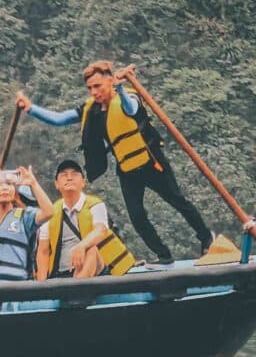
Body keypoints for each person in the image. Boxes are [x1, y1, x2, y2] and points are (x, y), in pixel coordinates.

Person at [17, 62, 214, 263]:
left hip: (151, 162)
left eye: (98, 86)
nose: (94, 92)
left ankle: (207, 238)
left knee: (178, 201)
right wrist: (31, 108)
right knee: (136, 216)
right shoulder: (92, 109)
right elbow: (59, 119)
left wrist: (120, 88)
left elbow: (132, 109)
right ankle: (163, 254)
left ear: (110, 81)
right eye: (90, 88)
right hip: (127, 170)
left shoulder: (128, 97)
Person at [36, 160, 137, 279]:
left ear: (83, 182)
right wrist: (42, 283)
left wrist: (81, 246)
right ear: (56, 184)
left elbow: (100, 230)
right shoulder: (51, 212)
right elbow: (43, 251)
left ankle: (79, 285)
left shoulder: (95, 204)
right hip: (60, 273)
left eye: (74, 174)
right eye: (64, 175)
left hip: (95, 266)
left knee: (91, 249)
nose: (69, 178)